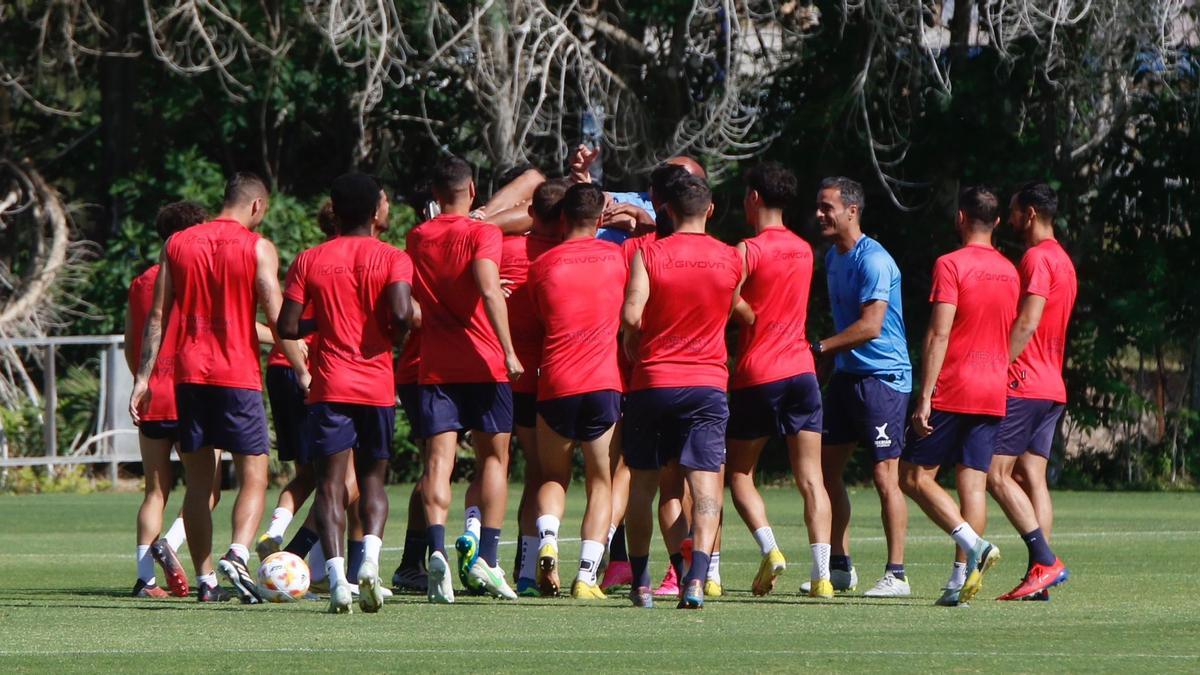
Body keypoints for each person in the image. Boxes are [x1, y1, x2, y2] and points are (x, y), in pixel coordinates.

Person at [130, 172, 297, 603]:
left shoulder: (177, 245)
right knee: (254, 475)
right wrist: (302, 366)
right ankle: (238, 553)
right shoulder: (257, 247)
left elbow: (157, 317)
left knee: (199, 484)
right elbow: (277, 317)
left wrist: (143, 378)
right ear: (257, 206)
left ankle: (206, 581)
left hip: (188, 376)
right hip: (236, 375)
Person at [278, 173, 412, 614]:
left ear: (334, 211)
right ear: (376, 211)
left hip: (330, 385)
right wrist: (397, 330)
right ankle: (369, 562)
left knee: (330, 486)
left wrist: (326, 323)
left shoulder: (309, 259)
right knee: (373, 479)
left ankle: (336, 579)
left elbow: (288, 326)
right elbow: (399, 313)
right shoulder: (393, 257)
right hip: (375, 384)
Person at [620, 173, 740, 609]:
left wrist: (635, 342)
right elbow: (731, 309)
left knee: (644, 486)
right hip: (708, 382)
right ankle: (697, 579)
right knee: (705, 486)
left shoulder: (649, 253)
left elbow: (632, 314)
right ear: (710, 210)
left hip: (653, 380)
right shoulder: (731, 258)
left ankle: (641, 584)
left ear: (667, 211)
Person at [408, 155, 523, 603]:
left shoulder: (417, 236)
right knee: (495, 459)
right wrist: (510, 350)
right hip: (484, 362)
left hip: (436, 365)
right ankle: (487, 560)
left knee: (438, 462)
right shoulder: (484, 232)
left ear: (435, 196)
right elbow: (487, 286)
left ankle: (436, 549)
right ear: (473, 190)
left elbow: (440, 289)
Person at [901, 185, 1018, 607]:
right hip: (993, 388)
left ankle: (976, 547)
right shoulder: (1010, 270)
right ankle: (958, 581)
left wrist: (925, 395)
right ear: (998, 222)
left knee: (912, 476)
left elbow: (939, 331)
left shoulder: (951, 264)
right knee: (973, 483)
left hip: (956, 385)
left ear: (961, 218)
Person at [725, 163, 832, 597]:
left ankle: (770, 549)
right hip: (802, 372)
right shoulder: (805, 249)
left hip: (758, 373)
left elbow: (727, 297)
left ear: (753, 198)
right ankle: (822, 576)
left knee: (737, 473)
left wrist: (749, 315)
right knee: (812, 478)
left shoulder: (746, 250)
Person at [807, 176, 912, 598]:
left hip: (883, 379)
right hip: (848, 378)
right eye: (818, 206)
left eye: (826, 207)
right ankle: (840, 567)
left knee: (886, 476)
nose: (819, 214)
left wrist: (820, 348)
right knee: (825, 469)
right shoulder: (834, 257)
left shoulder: (875, 261)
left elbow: (870, 327)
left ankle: (897, 574)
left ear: (852, 211)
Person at [527, 183, 626, 599]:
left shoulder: (542, 265)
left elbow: (539, 318)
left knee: (553, 476)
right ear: (600, 219)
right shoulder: (619, 259)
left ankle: (548, 539)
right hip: (604, 381)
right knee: (601, 482)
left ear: (562, 217)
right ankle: (586, 576)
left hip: (555, 382)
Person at [988, 181, 1074, 601]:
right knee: (1031, 476)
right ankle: (1040, 578)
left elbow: (1027, 321)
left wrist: (996, 366)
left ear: (1032, 213)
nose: (1010, 219)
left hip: (1024, 382)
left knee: (994, 472)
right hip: (1052, 386)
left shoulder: (1037, 258)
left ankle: (1045, 559)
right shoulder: (1065, 260)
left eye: (1015, 211)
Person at [124, 200, 214, 599]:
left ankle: (145, 579)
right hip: (190, 392)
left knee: (154, 490)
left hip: (152, 395)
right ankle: (174, 547)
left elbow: (133, 342)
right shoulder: (197, 278)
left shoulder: (143, 281)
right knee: (205, 488)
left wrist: (141, 381)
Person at [499, 178, 568, 597]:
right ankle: (526, 571)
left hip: (501, 374)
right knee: (541, 473)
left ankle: (509, 564)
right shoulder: (560, 258)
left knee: (505, 467)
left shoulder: (502, 247)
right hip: (543, 377)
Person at [256, 201, 335, 563]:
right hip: (315, 372)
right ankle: (296, 555)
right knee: (342, 483)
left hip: (279, 368)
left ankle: (274, 531)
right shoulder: (344, 262)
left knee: (306, 474)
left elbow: (280, 320)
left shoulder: (306, 261)